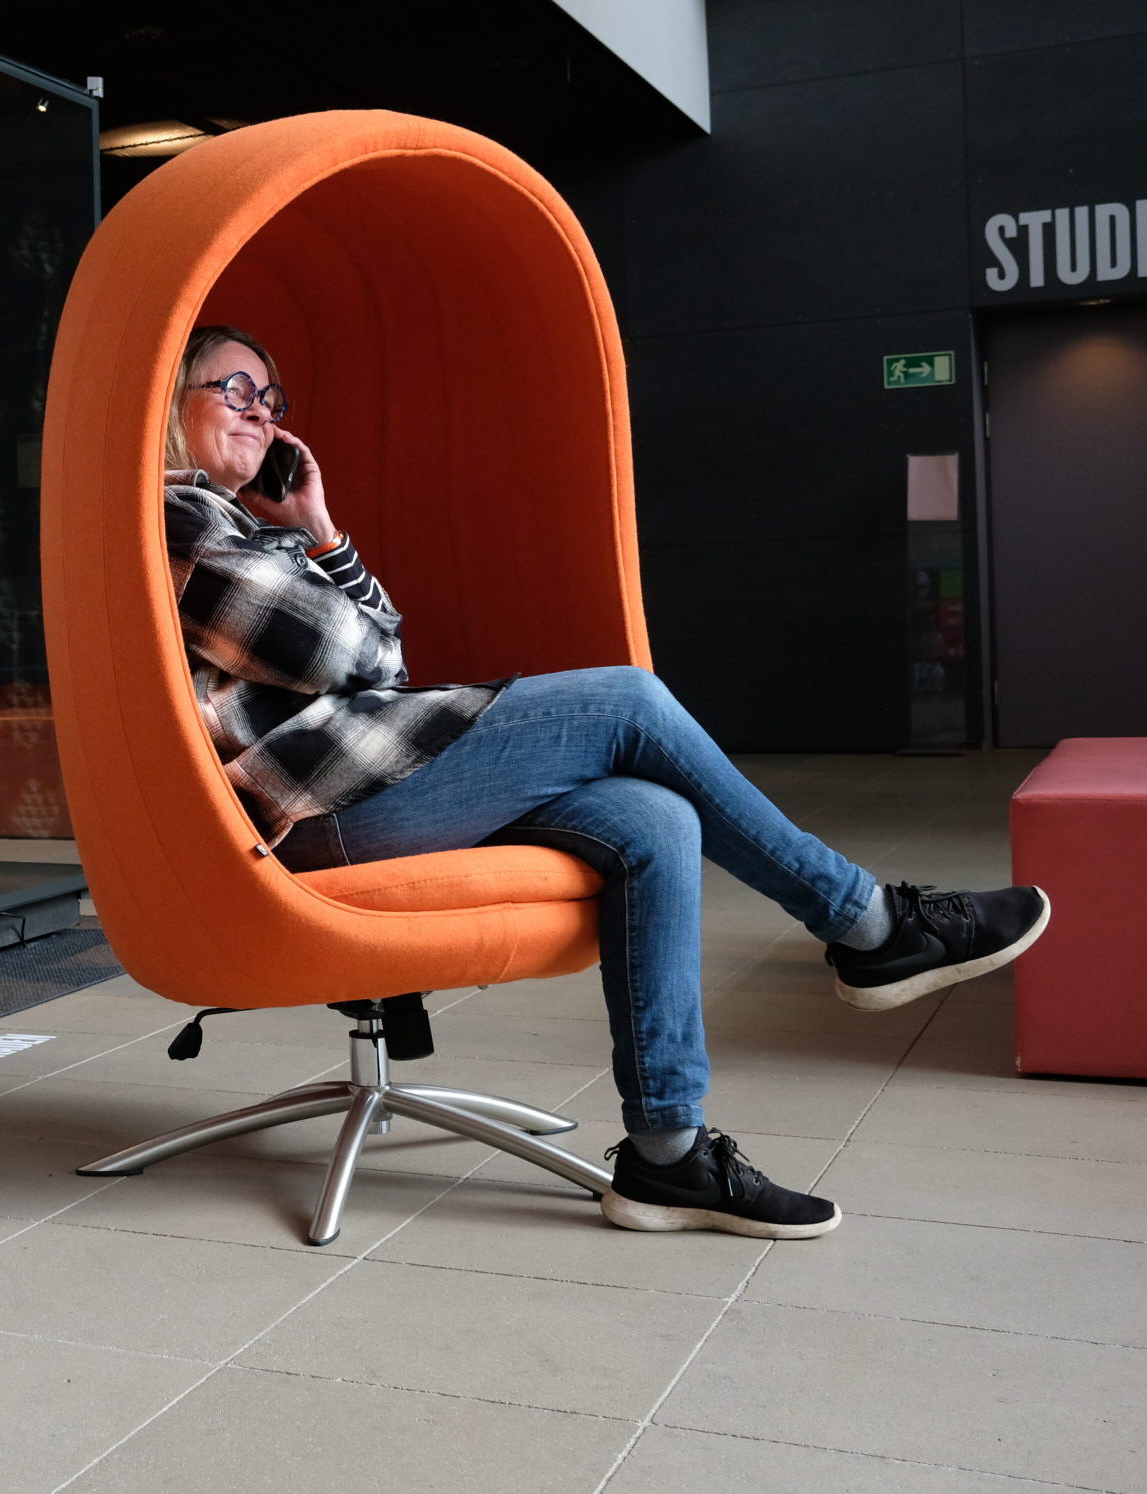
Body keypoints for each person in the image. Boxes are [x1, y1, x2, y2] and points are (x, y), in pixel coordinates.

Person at [164, 324, 1050, 1240]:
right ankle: (867, 923)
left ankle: (667, 1155)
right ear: (170, 398)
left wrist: (319, 529)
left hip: (362, 783)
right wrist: (329, 587)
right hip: (325, 806)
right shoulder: (180, 519)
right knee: (627, 701)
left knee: (652, 816)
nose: (260, 415)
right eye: (234, 390)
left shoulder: (249, 532)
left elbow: (378, 659)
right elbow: (360, 652)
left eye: (272, 401)